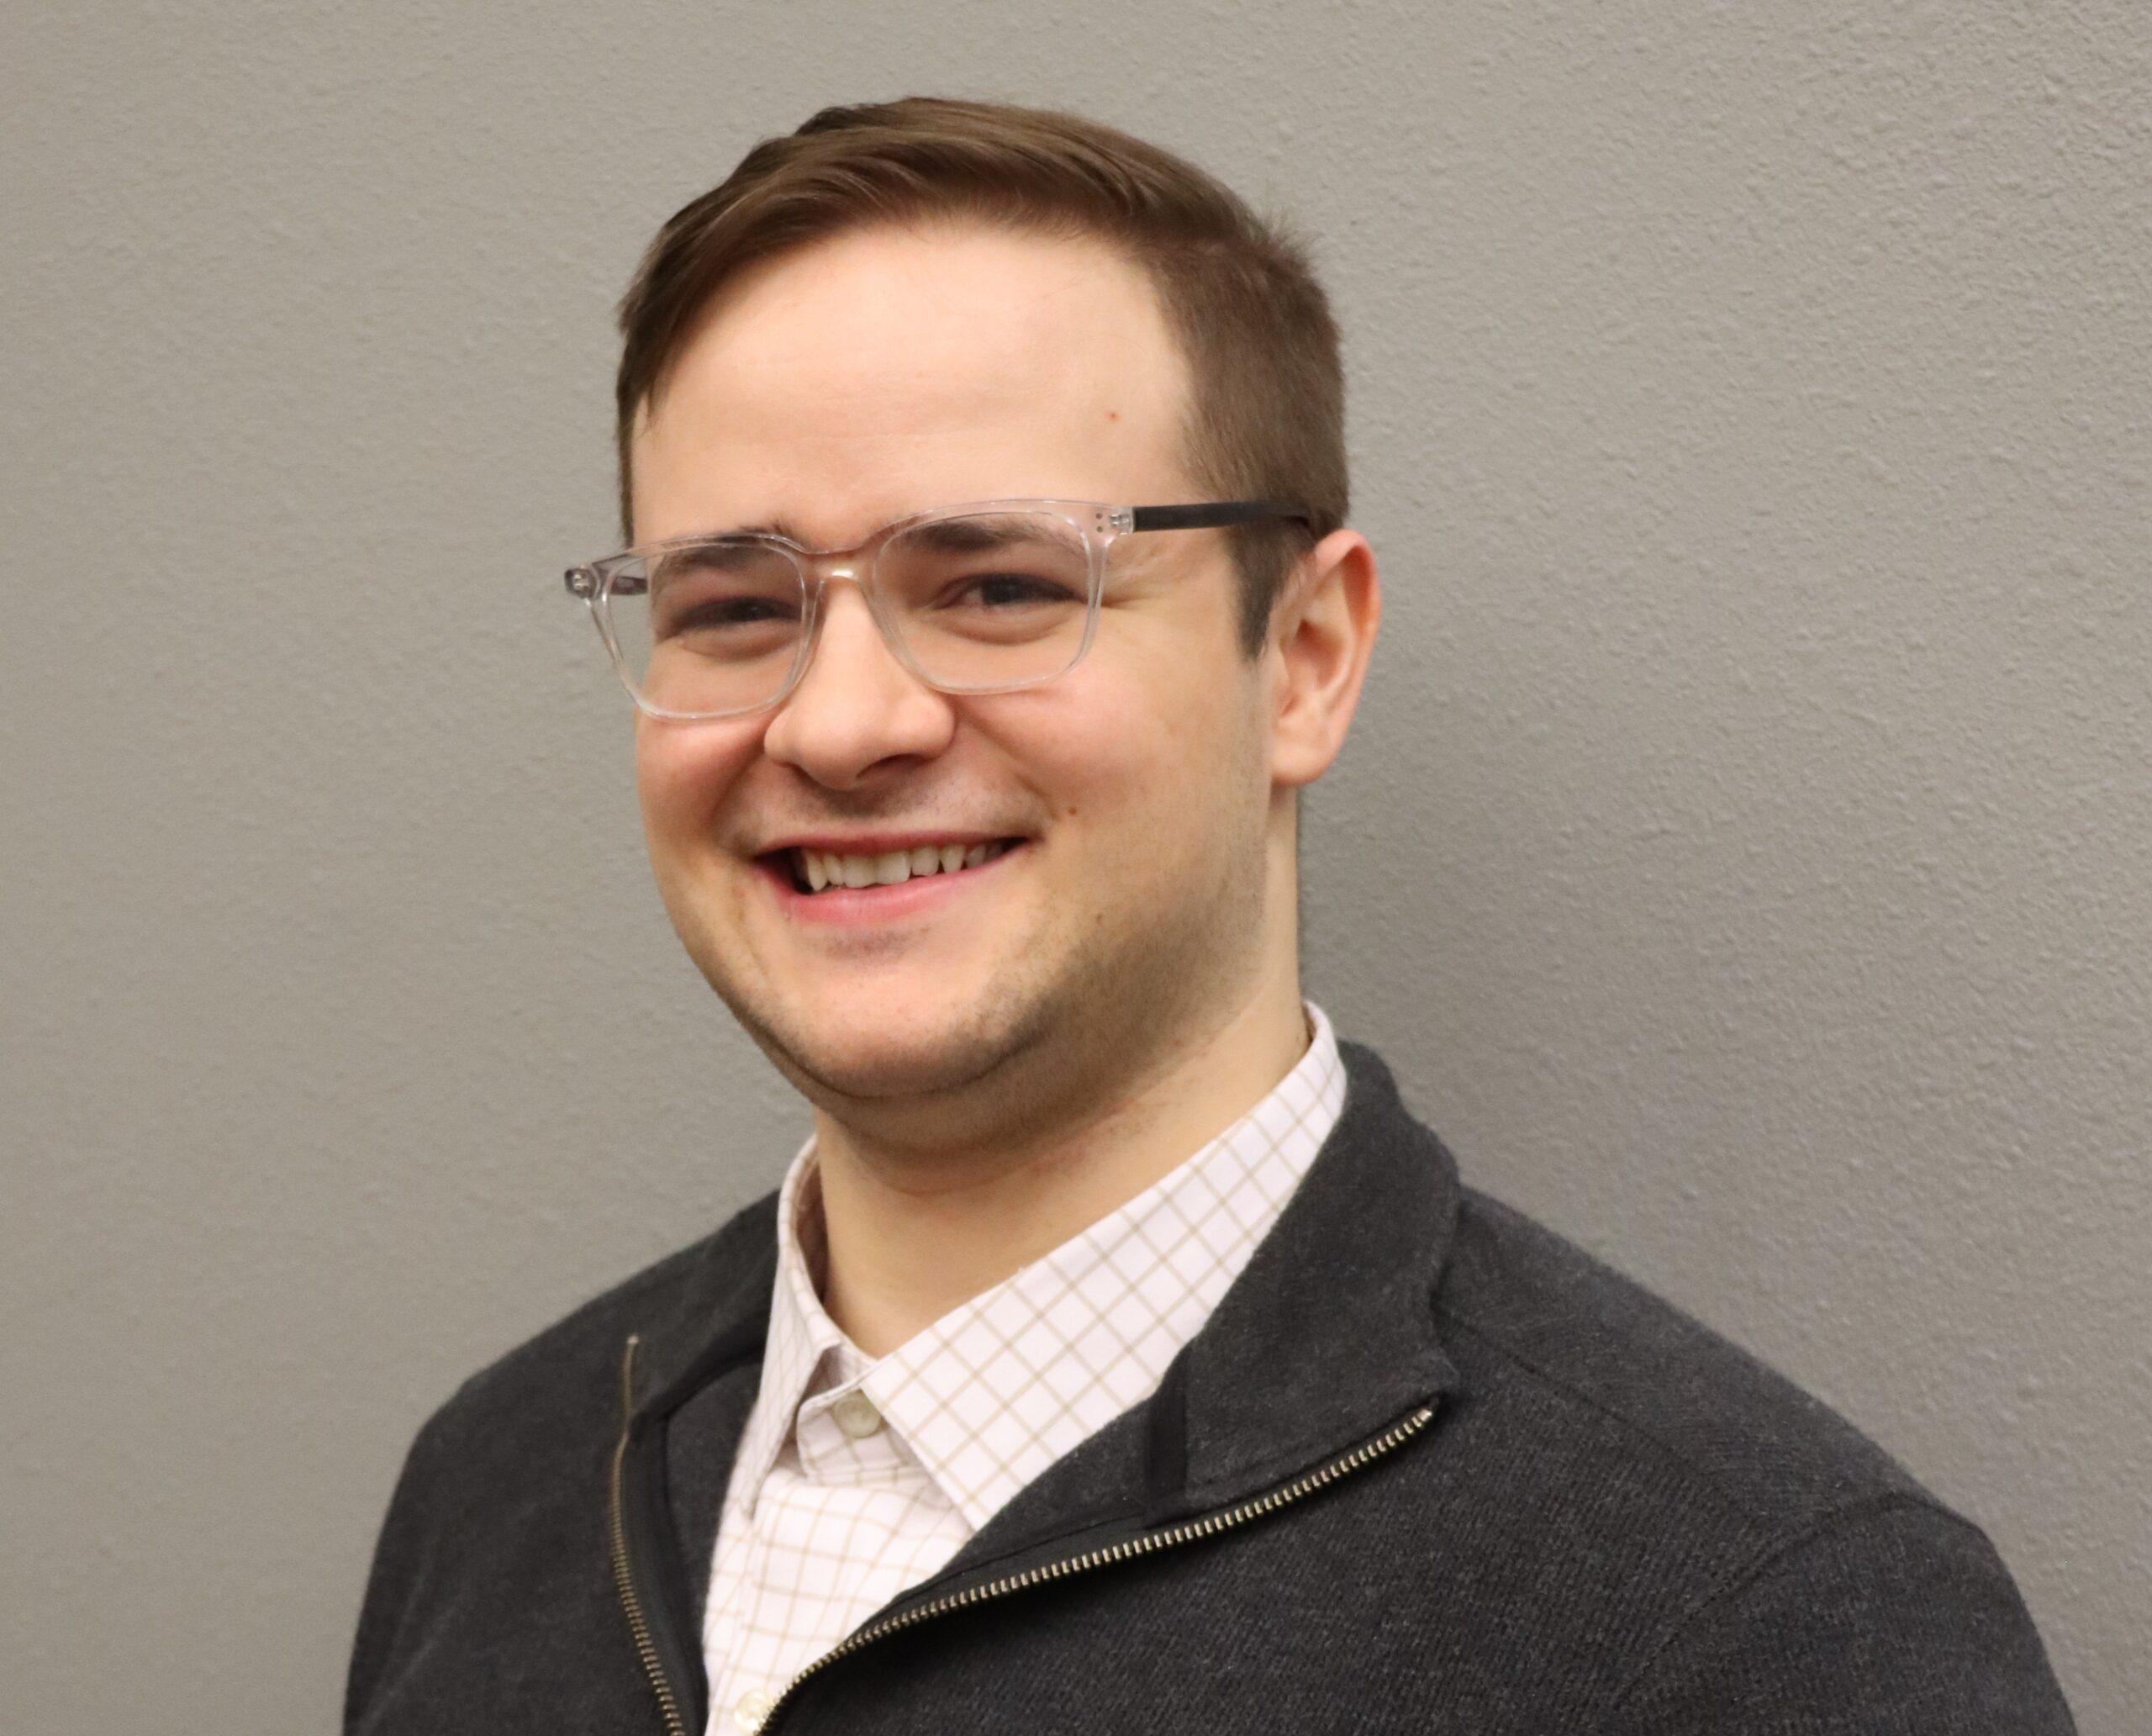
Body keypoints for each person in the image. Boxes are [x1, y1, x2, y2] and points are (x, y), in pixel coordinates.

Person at [345, 98, 2075, 1735]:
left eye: (1000, 585)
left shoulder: (1757, 1624)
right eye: (732, 604)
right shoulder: (504, 1477)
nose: (838, 722)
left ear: (1303, 660)